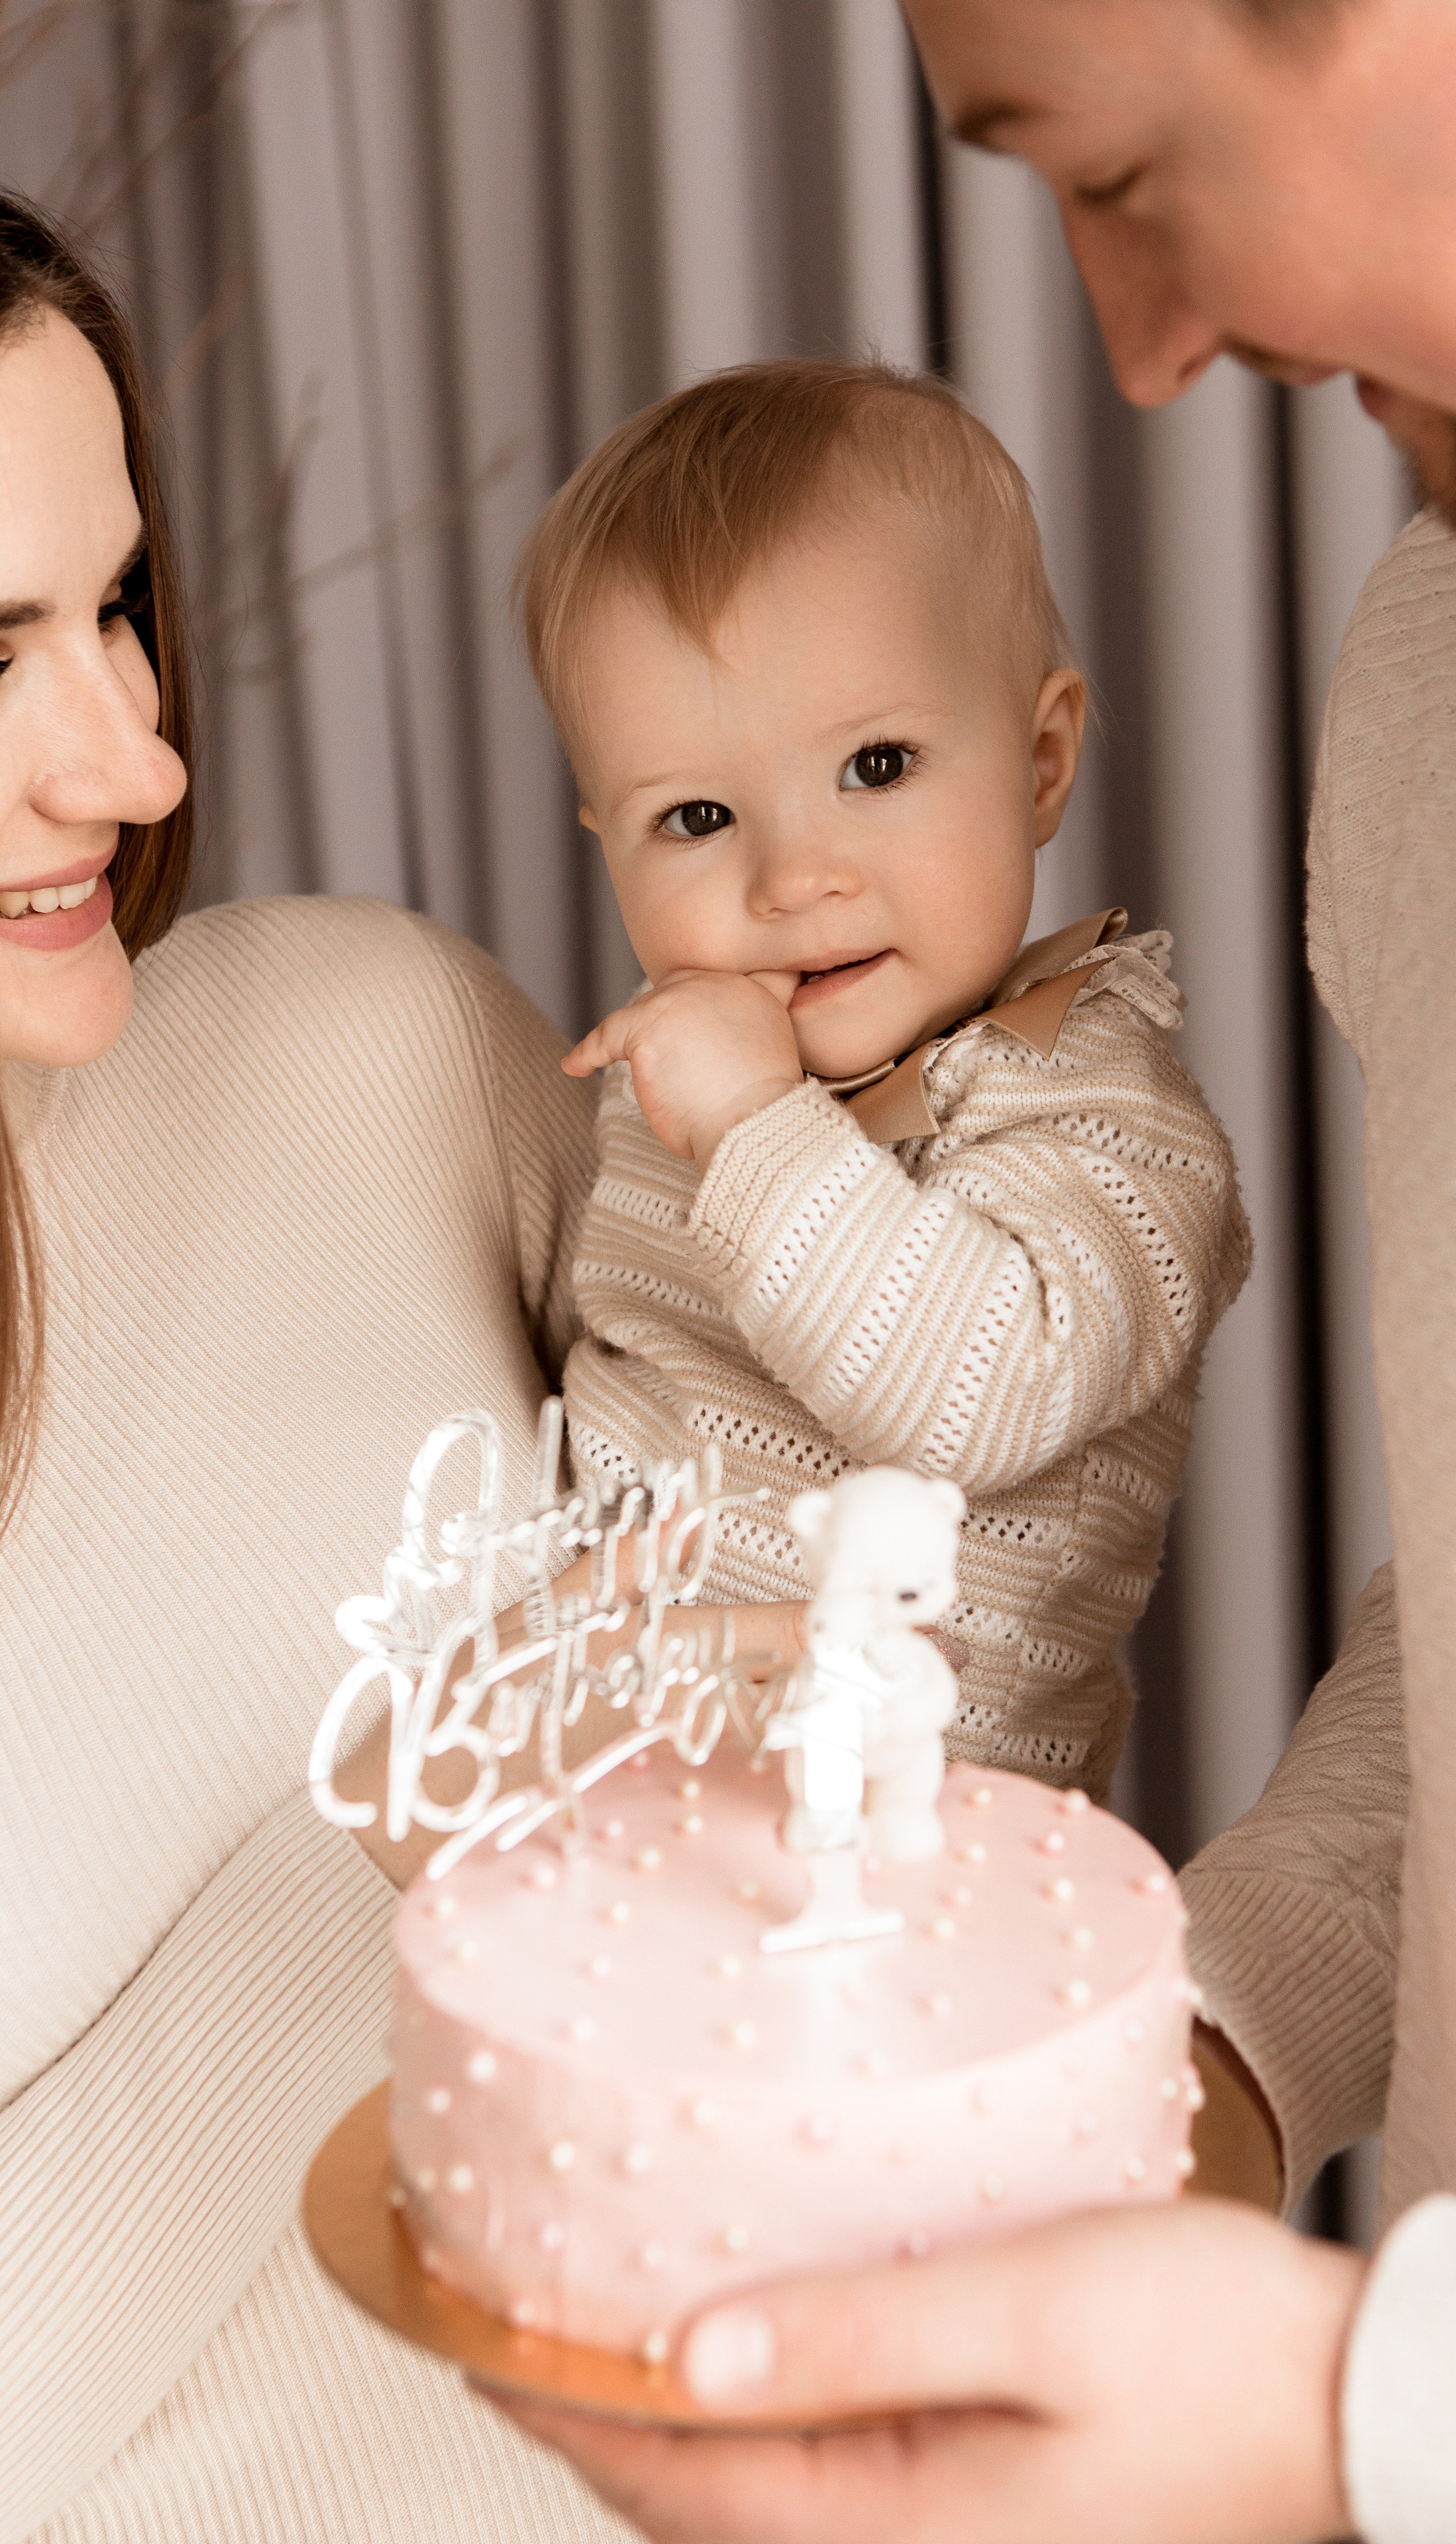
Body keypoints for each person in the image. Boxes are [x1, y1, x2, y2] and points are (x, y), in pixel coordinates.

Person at [495, 3, 1456, 2539]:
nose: (1140, 347)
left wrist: (1404, 2414)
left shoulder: (1073, 1128)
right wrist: (1216, 2071)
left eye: (1126, 172)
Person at [0, 193, 793, 2544]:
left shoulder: (379, 1043)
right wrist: (385, 1860)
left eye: (119, 609)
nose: (133, 764)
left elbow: (857, 1560)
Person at [519, 356, 1249, 1800]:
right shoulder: (691, 1063)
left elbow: (973, 1402)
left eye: (876, 765)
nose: (794, 877)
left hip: (913, 1832)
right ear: (608, 842)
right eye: (700, 816)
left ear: (1039, 762)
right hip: (606, 1754)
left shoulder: (1108, 1120)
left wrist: (751, 1125)